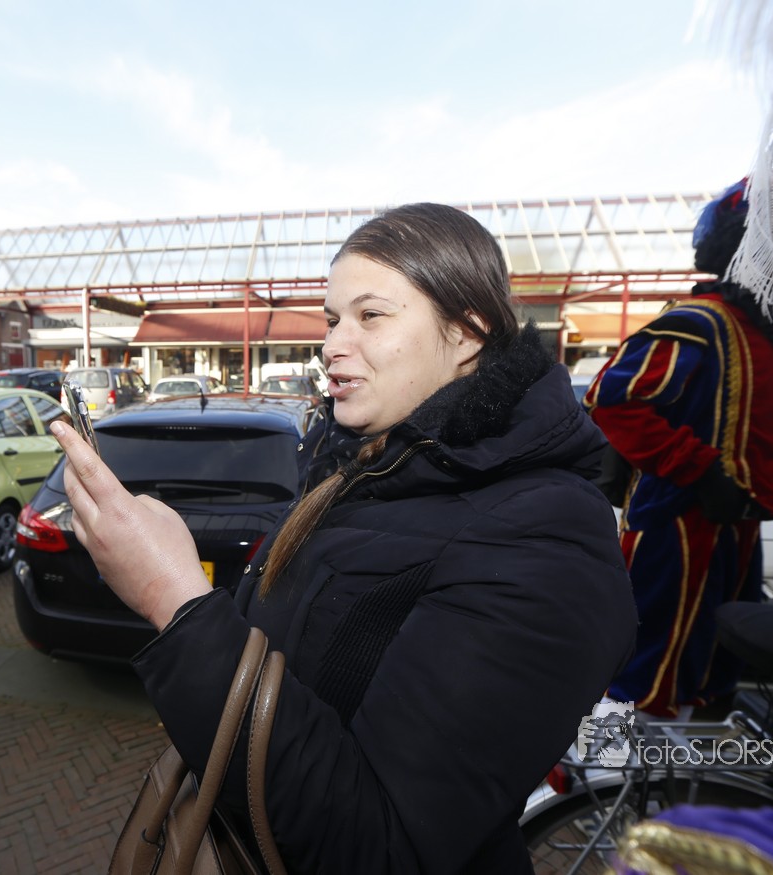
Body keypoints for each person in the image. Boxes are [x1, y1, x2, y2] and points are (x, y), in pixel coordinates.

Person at [50, 202, 637, 873]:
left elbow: (379, 848)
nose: (331, 344)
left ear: (466, 333)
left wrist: (172, 597)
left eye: (371, 315)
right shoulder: (366, 463)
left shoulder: (546, 538)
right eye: (332, 319)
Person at [585, 179, 773, 720]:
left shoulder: (761, 332)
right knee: (644, 668)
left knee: (716, 658)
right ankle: (605, 770)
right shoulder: (699, 321)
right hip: (677, 521)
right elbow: (613, 400)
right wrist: (703, 472)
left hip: (735, 524)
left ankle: (688, 764)